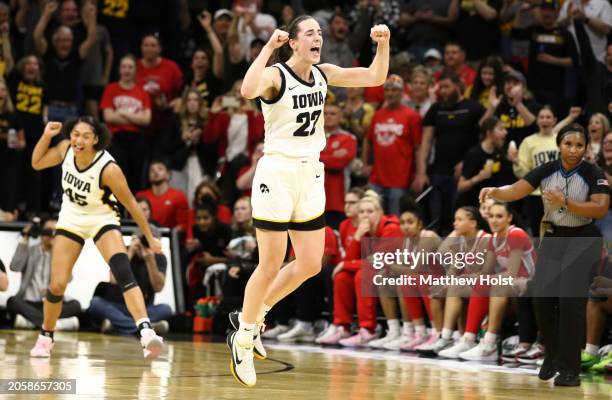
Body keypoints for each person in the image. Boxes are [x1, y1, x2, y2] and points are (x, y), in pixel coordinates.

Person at [227, 16, 390, 387]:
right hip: (278, 173)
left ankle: (255, 314)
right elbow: (248, 89)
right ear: (294, 43)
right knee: (269, 263)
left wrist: (383, 43)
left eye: (320, 33)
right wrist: (268, 47)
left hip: (310, 173)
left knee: (310, 264)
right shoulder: (276, 75)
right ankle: (244, 337)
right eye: (311, 33)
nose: (319, 38)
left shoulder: (324, 73)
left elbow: (374, 77)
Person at [480, 123, 610, 386]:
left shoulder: (593, 172)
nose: (573, 150)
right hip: (553, 238)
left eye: (579, 145)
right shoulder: (547, 169)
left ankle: (570, 369)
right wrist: (495, 192)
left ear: (585, 148)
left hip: (583, 239)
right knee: (540, 297)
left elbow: (600, 209)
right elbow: (518, 189)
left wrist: (566, 202)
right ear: (559, 145)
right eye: (568, 144)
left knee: (569, 302)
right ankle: (552, 353)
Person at [28, 117, 165, 360]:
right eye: (75, 134)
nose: (78, 140)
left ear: (96, 140)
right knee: (57, 284)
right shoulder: (65, 149)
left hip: (102, 218)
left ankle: (146, 333)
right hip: (71, 219)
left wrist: (150, 237)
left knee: (123, 270)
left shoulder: (109, 168)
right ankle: (46, 336)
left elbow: (131, 203)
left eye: (85, 136)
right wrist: (47, 136)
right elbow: (37, 163)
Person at [8, 217, 81, 330]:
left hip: (52, 303)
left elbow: (68, 278)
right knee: (12, 302)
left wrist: (58, 250)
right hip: (30, 302)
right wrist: (24, 238)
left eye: (56, 231)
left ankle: (32, 323)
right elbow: (14, 267)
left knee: (76, 305)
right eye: (48, 230)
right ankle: (55, 325)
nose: (52, 234)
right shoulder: (30, 250)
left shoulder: (59, 254)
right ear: (42, 232)